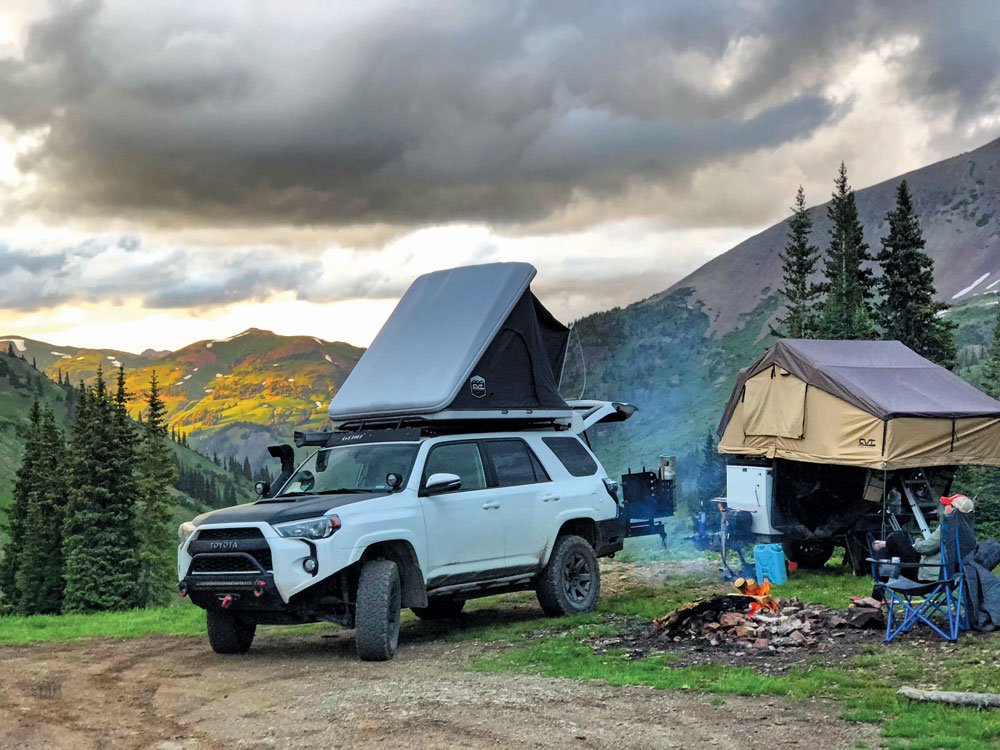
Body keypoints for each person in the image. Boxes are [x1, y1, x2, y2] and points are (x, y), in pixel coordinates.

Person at [872, 493, 975, 596]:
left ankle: (876, 597)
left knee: (895, 538)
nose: (944, 507)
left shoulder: (948, 528)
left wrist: (917, 540)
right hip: (949, 577)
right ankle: (876, 599)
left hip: (927, 575)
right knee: (884, 551)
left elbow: (925, 548)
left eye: (947, 505)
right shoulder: (968, 532)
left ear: (954, 509)